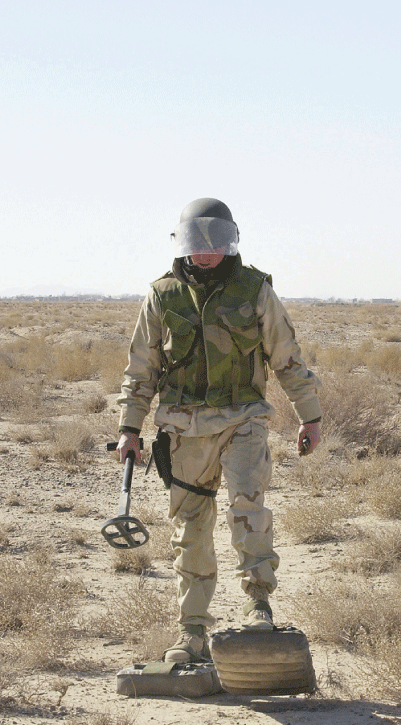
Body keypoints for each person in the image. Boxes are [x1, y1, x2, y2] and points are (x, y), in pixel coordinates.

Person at [116, 198, 322, 663]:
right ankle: (191, 630)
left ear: (230, 241)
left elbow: (286, 356)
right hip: (183, 430)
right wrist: (130, 427)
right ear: (183, 244)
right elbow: (141, 369)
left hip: (244, 420)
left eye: (215, 241)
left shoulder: (254, 290)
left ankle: (258, 605)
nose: (206, 251)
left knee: (248, 506)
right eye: (197, 241)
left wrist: (310, 415)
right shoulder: (163, 296)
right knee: (191, 527)